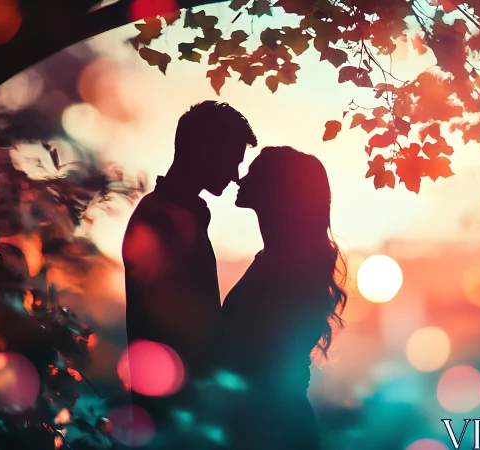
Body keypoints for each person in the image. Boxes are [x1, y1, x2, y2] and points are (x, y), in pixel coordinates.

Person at [122, 101, 257, 449]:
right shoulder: (161, 219)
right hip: (175, 411)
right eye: (232, 160)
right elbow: (176, 326)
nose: (235, 175)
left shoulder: (175, 214)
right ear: (206, 151)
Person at [218, 146, 348, 449]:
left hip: (272, 430)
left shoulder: (285, 270)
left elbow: (265, 361)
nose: (239, 179)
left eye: (252, 173)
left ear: (274, 189)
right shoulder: (276, 261)